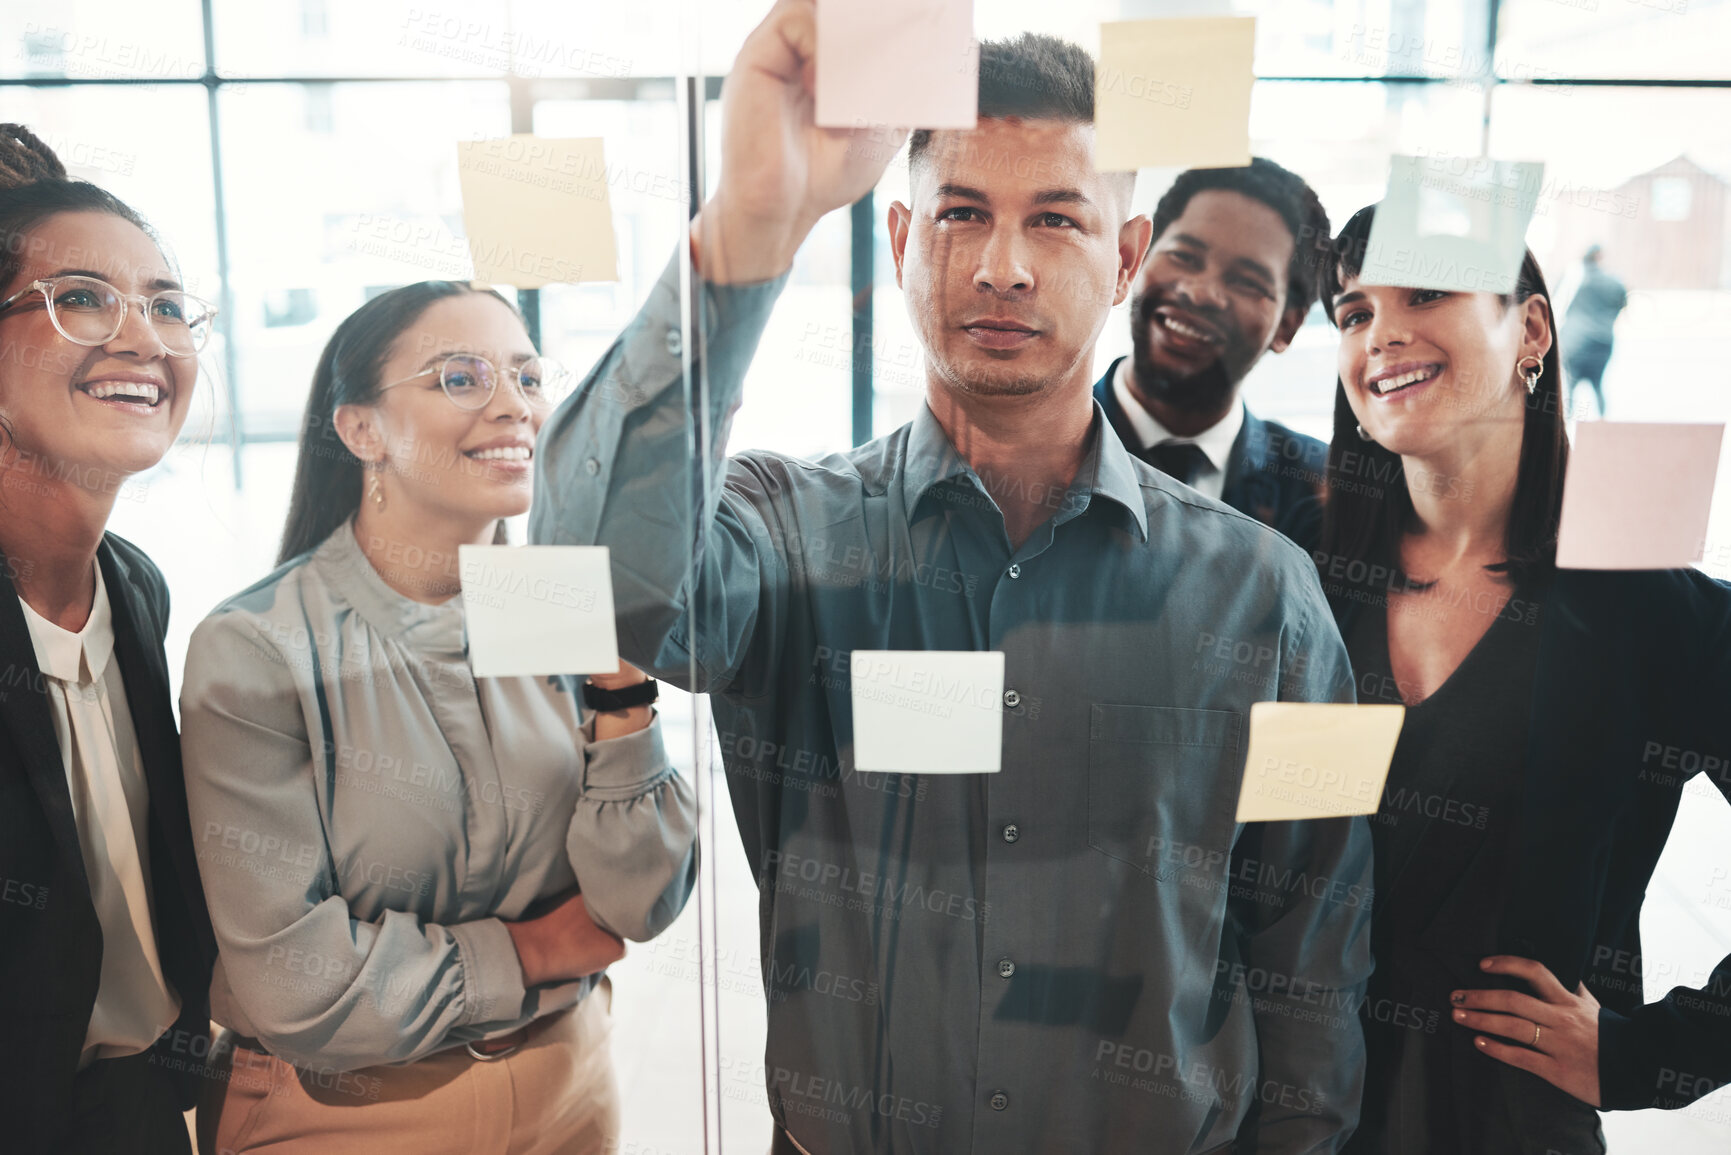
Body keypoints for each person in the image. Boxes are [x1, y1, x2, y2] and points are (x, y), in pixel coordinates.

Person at [533, 7, 1373, 1152]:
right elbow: (597, 585)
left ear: (1125, 256)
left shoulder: (1268, 596)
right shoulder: (788, 532)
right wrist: (749, 227)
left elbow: (1310, 952)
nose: (1002, 267)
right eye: (962, 213)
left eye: (1056, 220)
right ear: (898, 238)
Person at [179, 279, 698, 1154]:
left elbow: (636, 904)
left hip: (568, 1088)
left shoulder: (556, 601)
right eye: (460, 378)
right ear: (361, 429)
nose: (513, 406)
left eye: (528, 377)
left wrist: (621, 687)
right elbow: (299, 987)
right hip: (350, 1117)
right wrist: (531, 950)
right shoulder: (256, 648)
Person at [1315, 205, 1731, 1153]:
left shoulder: (1648, 608)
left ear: (1531, 329)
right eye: (1353, 312)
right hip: (1290, 1113)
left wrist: (1649, 1053)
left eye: (1425, 293)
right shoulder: (1296, 582)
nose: (1382, 332)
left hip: (1506, 1123)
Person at [0, 124, 219, 1153]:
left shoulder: (133, 590)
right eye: (83, 297)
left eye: (169, 306)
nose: (146, 340)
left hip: (135, 1107)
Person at [1094, 159, 1333, 549]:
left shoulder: (1324, 492)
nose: (1201, 293)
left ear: (1288, 324)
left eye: (1246, 281)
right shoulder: (1036, 449)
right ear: (1136, 260)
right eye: (1184, 257)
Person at [1559, 244, 1625, 419]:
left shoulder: (1574, 280)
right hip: (1602, 342)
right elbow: (1622, 304)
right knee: (1598, 385)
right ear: (1599, 258)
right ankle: (1602, 426)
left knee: (1570, 387)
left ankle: (1567, 430)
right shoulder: (1614, 282)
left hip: (1575, 342)